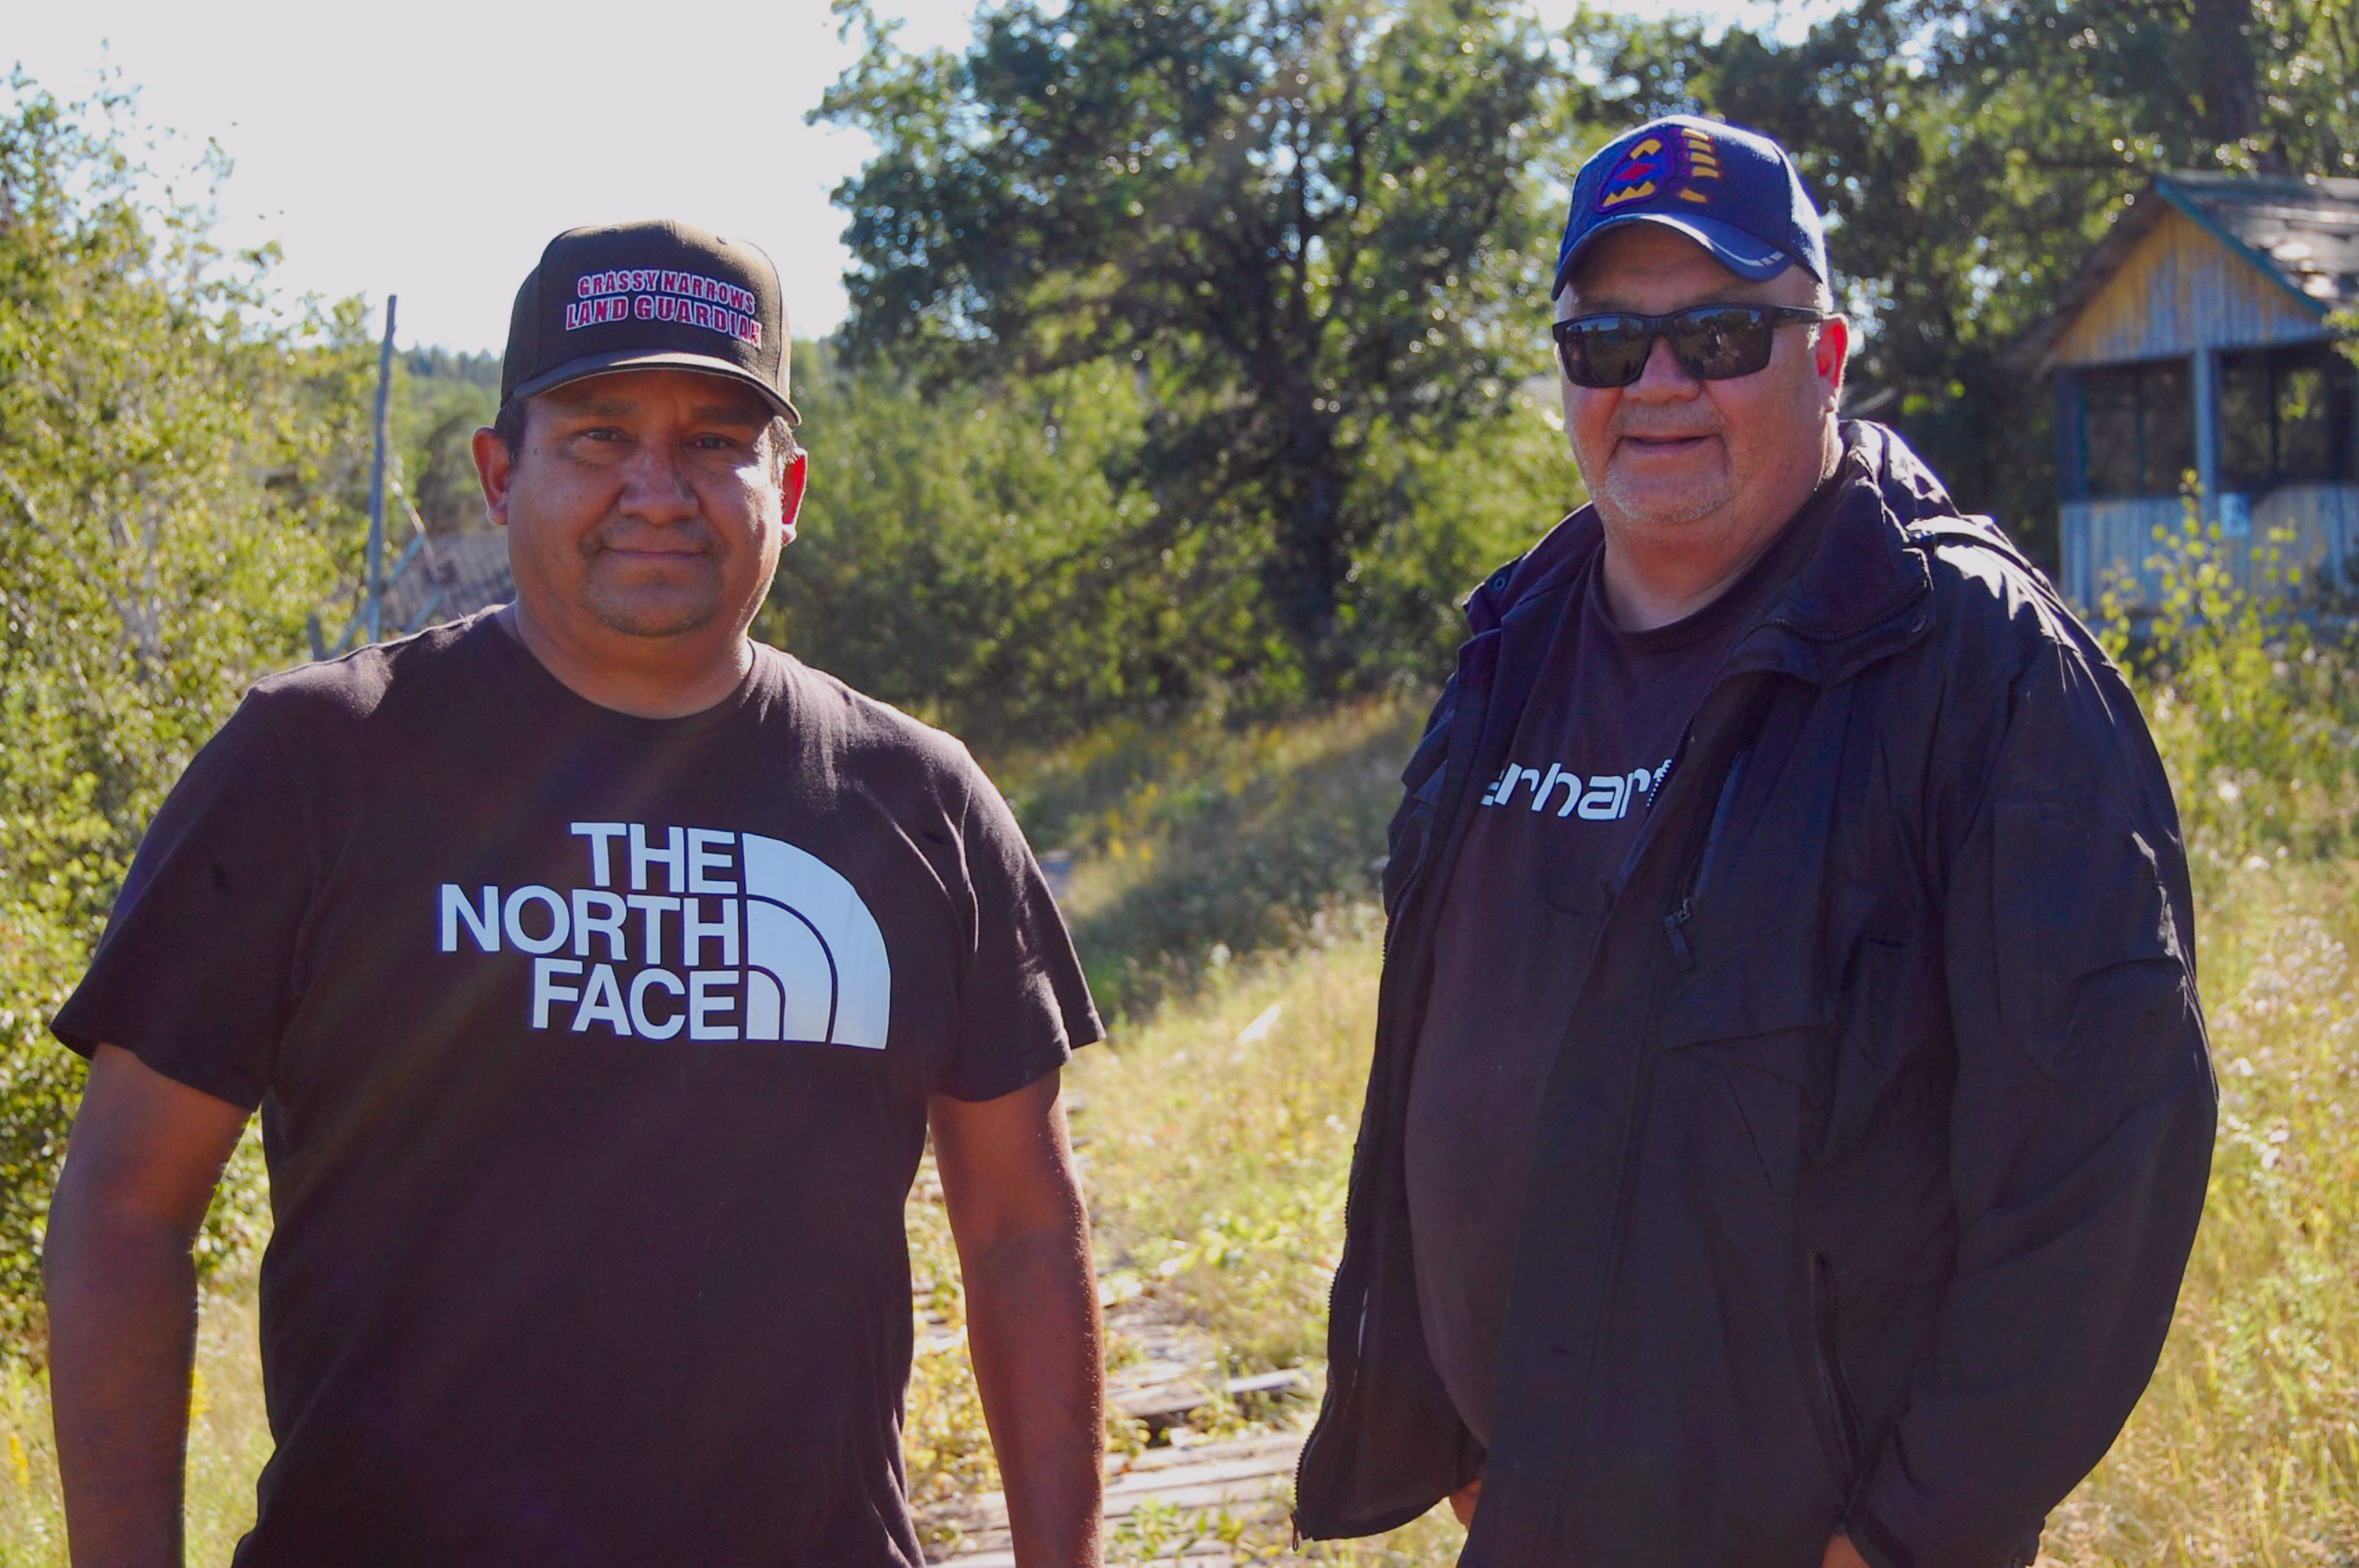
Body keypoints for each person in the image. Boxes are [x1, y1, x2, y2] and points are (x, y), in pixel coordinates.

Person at [44, 220, 1107, 1568]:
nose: (657, 488)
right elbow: (128, 1207)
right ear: (500, 475)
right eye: (598, 436)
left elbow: (1022, 1225)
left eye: (716, 440)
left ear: (787, 492)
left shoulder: (918, 801)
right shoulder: (315, 761)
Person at [1293, 117, 2215, 1568]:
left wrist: (1912, 1532)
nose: (1658, 384)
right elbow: (1447, 1052)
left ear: (1826, 356)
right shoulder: (1513, 641)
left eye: (1720, 334)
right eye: (1607, 345)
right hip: (1533, 1505)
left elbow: (2105, 1154)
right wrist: (1456, 1422)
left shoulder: (1974, 660)